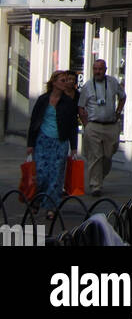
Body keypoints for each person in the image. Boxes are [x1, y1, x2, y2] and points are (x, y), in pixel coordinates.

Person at [26, 69, 78, 219]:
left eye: (67, 80)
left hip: (60, 141)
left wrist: (74, 148)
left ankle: (51, 208)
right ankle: (36, 201)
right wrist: (30, 144)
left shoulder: (68, 102)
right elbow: (34, 121)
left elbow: (72, 125)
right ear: (54, 82)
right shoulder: (43, 99)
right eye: (62, 80)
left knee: (56, 176)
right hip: (42, 140)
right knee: (41, 173)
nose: (66, 83)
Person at [78, 59, 126, 197]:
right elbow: (81, 107)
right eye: (95, 69)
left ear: (105, 69)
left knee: (108, 156)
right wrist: (86, 125)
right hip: (94, 125)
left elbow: (122, 97)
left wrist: (118, 112)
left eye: (100, 69)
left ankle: (99, 177)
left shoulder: (112, 82)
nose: (97, 72)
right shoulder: (87, 86)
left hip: (110, 125)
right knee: (95, 156)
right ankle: (95, 185)